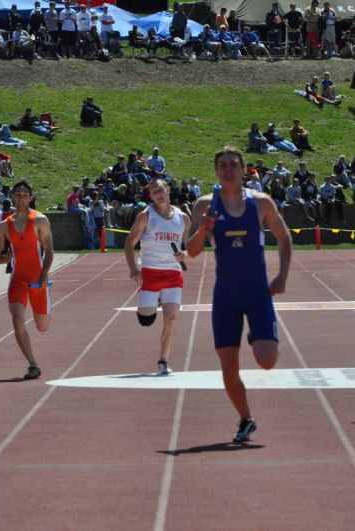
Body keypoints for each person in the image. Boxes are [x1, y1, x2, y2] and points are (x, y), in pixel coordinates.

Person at [187, 147, 292, 443]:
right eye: (223, 165)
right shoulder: (205, 205)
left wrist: (282, 276)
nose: (228, 169)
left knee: (267, 361)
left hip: (257, 292)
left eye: (234, 164)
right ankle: (246, 419)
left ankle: (257, 334)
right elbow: (191, 252)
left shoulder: (260, 203)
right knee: (228, 366)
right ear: (216, 171)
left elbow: (284, 237)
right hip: (226, 296)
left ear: (243, 169)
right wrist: (203, 230)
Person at [124, 178, 191, 375]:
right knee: (146, 320)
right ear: (150, 196)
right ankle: (154, 301)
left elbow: (192, 246)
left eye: (160, 190)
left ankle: (163, 361)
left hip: (173, 274)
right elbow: (129, 243)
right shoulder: (146, 216)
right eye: (153, 192)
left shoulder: (183, 218)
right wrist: (133, 269)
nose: (158, 195)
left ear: (168, 189)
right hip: (150, 273)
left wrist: (185, 254)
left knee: (171, 320)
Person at [0, 181, 54, 380]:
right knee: (17, 319)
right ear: (12, 196)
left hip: (37, 279)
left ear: (31, 198)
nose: (20, 197)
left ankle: (43, 313)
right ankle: (33, 365)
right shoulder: (4, 225)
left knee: (42, 326)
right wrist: (1, 258)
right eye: (17, 194)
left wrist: (44, 272)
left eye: (24, 194)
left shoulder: (40, 220)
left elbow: (49, 249)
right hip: (17, 279)